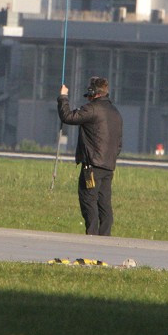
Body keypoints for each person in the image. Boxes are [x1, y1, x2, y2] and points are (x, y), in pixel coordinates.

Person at [57, 76, 123, 236]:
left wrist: (63, 97)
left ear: (93, 93)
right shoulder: (116, 113)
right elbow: (119, 143)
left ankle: (92, 236)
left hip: (92, 165)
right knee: (104, 203)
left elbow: (68, 117)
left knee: (88, 199)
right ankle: (104, 236)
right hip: (108, 166)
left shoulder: (93, 109)